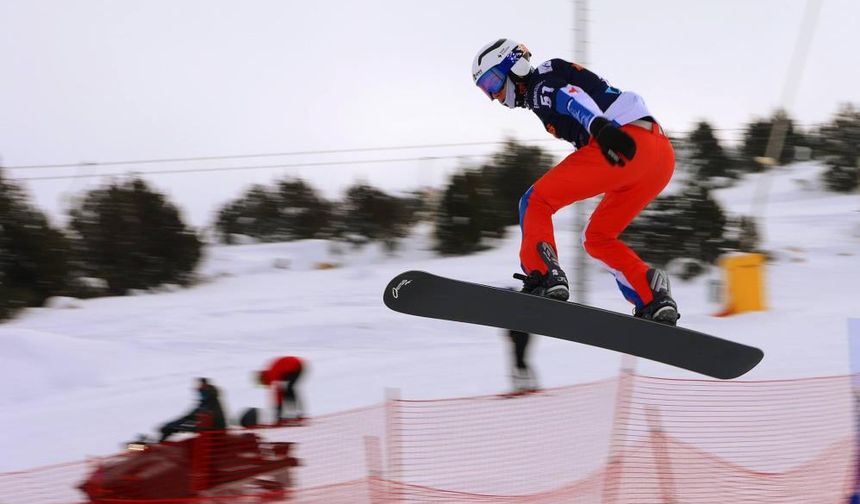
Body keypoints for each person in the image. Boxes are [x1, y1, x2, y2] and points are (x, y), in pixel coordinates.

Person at [471, 39, 680, 325]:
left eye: (493, 82)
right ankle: (651, 294)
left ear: (515, 65)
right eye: (486, 89)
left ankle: (544, 274)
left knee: (535, 201)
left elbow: (569, 96)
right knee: (597, 238)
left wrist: (598, 125)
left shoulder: (539, 84)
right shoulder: (542, 86)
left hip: (621, 140)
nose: (494, 95)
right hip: (659, 156)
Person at [159, 377, 226, 442]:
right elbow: (189, 417)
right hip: (207, 435)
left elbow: (207, 423)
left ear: (205, 386)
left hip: (214, 437)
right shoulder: (205, 403)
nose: (198, 390)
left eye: (200, 386)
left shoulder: (211, 403)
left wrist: (182, 428)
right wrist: (171, 425)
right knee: (169, 430)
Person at [258, 356, 305, 424]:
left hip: (295, 366)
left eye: (263, 383)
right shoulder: (270, 374)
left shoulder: (273, 375)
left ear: (264, 379)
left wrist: (278, 412)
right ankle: (295, 412)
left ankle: (296, 413)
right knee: (288, 390)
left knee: (288, 389)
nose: (265, 385)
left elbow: (278, 394)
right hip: (291, 367)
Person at [507, 329, 539, 393]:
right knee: (519, 361)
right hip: (517, 335)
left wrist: (511, 334)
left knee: (520, 360)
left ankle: (527, 384)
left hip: (522, 335)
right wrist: (510, 334)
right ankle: (526, 384)